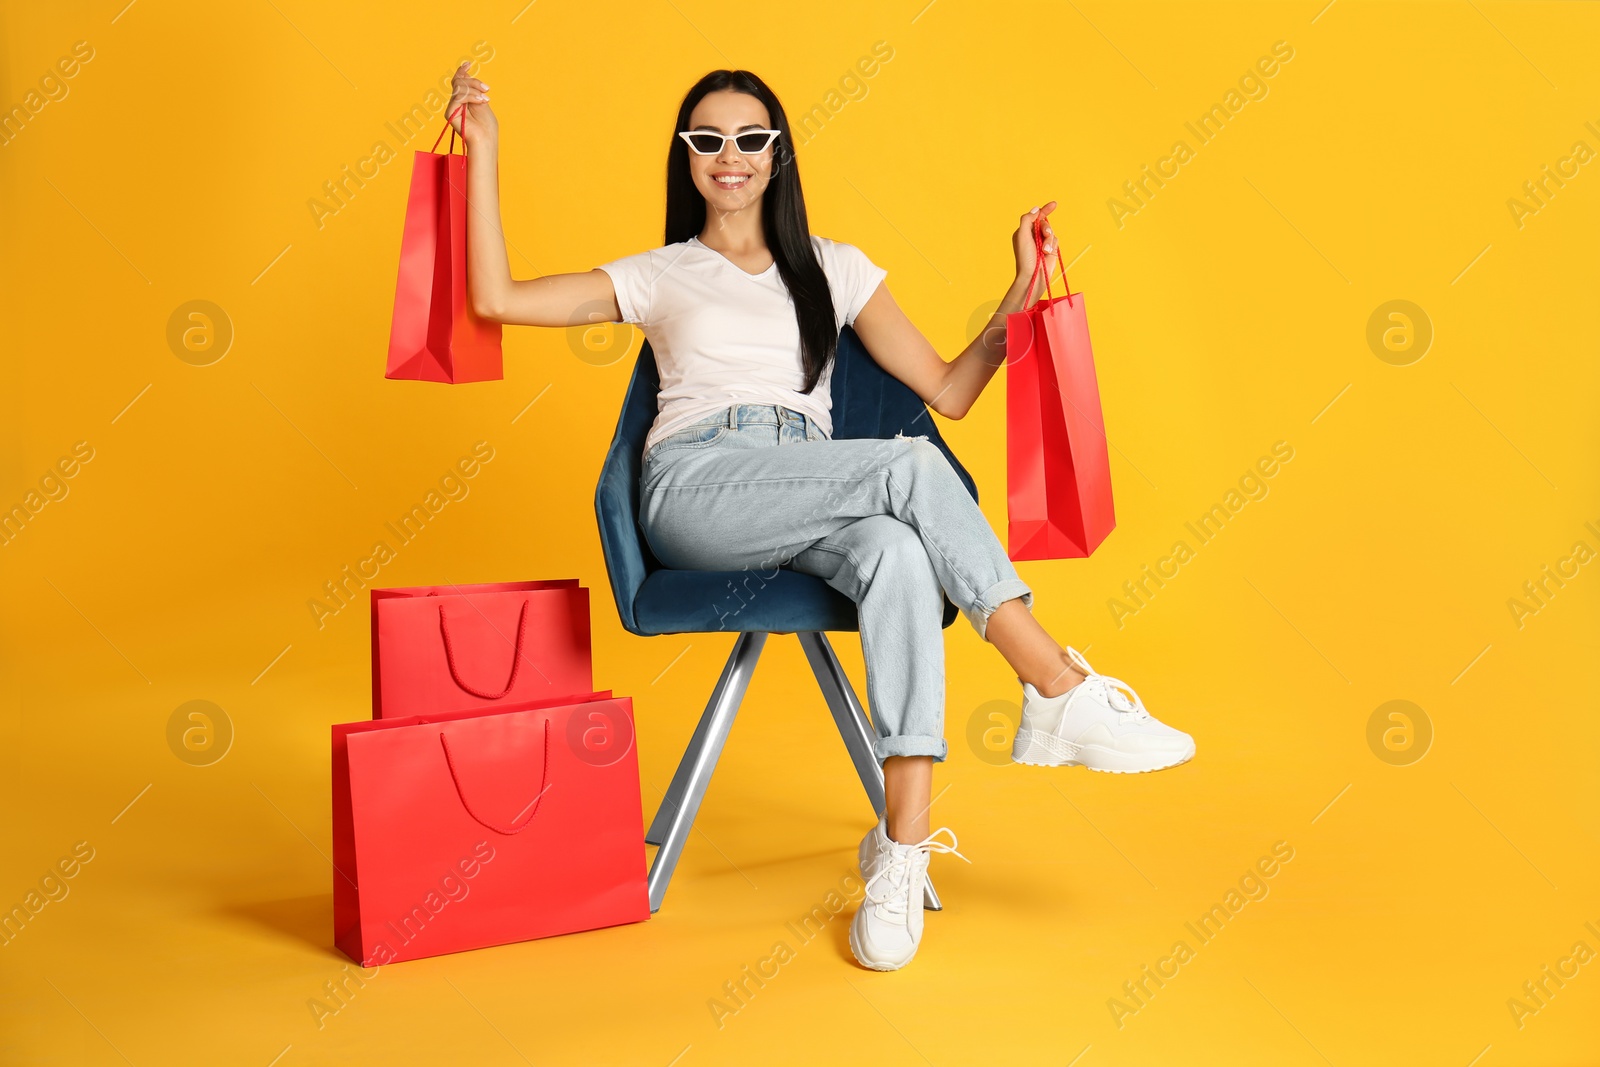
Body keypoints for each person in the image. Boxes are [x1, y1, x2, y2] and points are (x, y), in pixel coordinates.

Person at [444, 63, 1195, 972]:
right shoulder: (660, 274)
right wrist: (482, 149)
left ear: (778, 154)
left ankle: (900, 851)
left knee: (897, 554)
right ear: (686, 158)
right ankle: (1056, 685)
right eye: (708, 140)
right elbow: (496, 298)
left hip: (809, 482)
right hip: (698, 487)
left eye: (751, 139)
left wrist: (1023, 287)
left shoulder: (836, 270)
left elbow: (951, 390)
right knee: (907, 471)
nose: (731, 157)